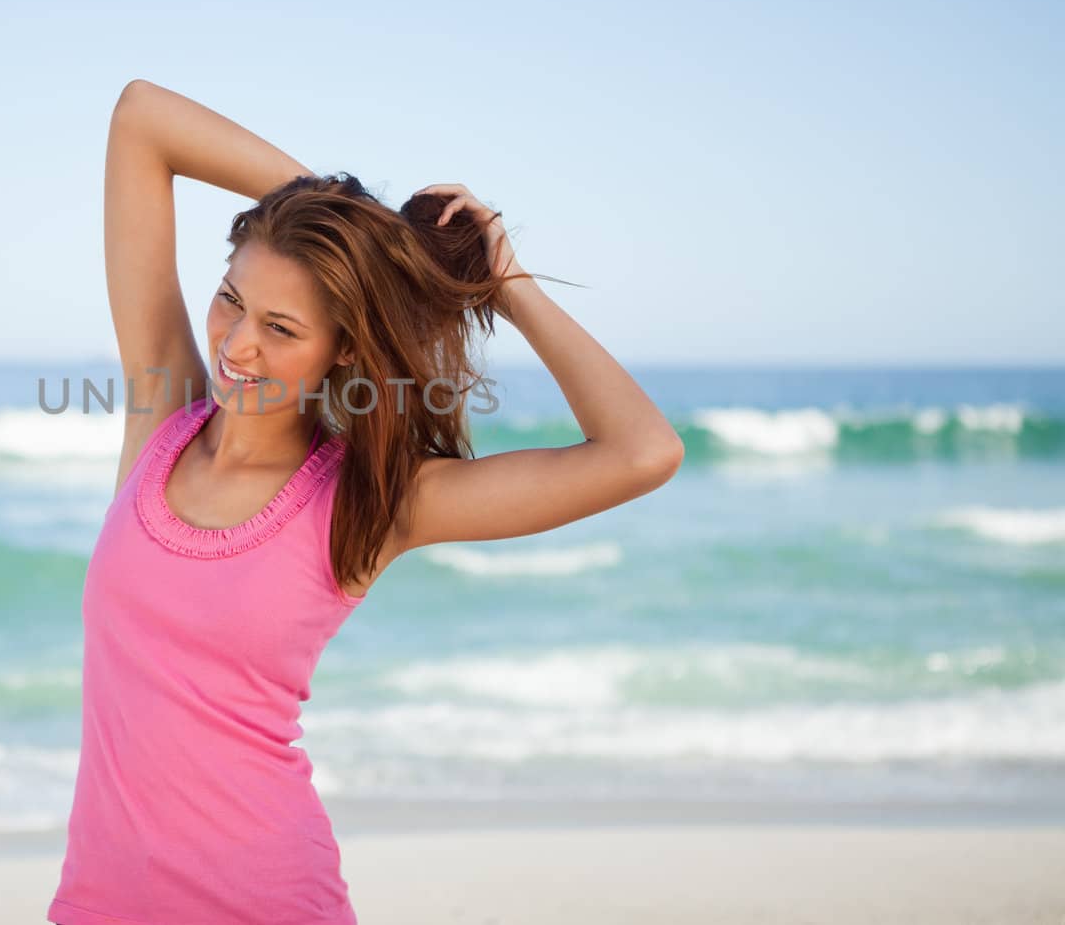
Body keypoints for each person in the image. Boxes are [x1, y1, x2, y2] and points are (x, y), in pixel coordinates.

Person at [45, 79, 684, 925]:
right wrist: (360, 227)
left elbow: (643, 452)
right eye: (233, 297)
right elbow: (141, 119)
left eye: (282, 327)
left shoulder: (371, 502)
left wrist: (512, 284)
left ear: (341, 351)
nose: (237, 344)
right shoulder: (160, 422)